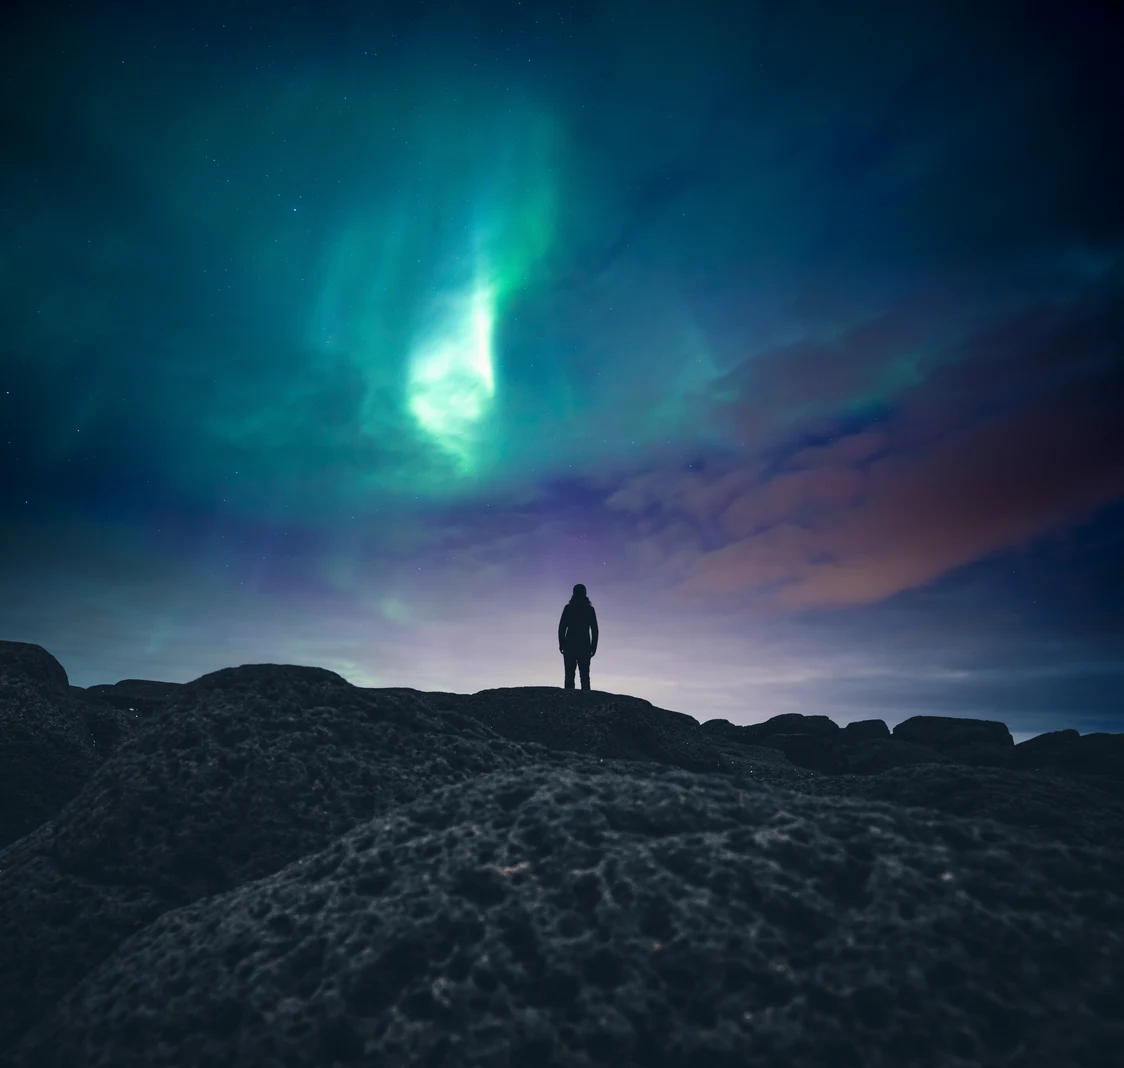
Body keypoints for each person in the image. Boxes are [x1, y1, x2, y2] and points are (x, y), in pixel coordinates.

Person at [558, 583, 598, 691]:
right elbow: (595, 630)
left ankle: (568, 703)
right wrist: (593, 647)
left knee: (569, 676)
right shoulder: (589, 609)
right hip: (584, 646)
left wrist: (561, 643)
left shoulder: (569, 608)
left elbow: (562, 627)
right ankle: (586, 703)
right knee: (585, 677)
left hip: (570, 645)